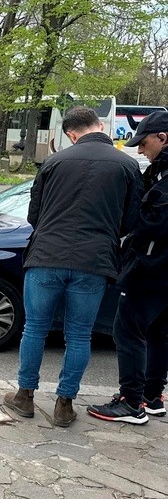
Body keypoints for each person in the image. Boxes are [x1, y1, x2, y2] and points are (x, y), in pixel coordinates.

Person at [4, 106, 141, 428]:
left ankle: (24, 396)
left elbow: (33, 214)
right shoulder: (127, 165)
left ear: (70, 134)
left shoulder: (54, 162)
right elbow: (132, 220)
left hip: (46, 257)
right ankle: (64, 404)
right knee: (79, 336)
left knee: (34, 328)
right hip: (94, 261)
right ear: (100, 126)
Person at [87, 111, 168, 424]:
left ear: (163, 138)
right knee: (158, 332)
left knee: (127, 330)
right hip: (158, 269)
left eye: (144, 143)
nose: (139, 150)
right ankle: (152, 397)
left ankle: (131, 402)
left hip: (152, 269)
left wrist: (126, 224)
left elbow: (152, 224)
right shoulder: (159, 172)